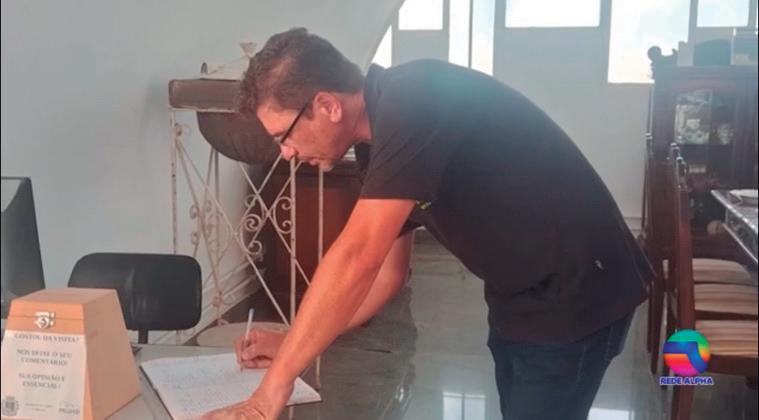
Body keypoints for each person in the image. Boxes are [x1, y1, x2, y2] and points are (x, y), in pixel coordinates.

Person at [202, 27, 653, 420]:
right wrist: (293, 345)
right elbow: (387, 276)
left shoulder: (414, 98)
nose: (286, 153)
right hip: (518, 296)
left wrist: (269, 393)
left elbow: (357, 256)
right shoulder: (378, 144)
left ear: (327, 105)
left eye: (284, 136)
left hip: (577, 289)